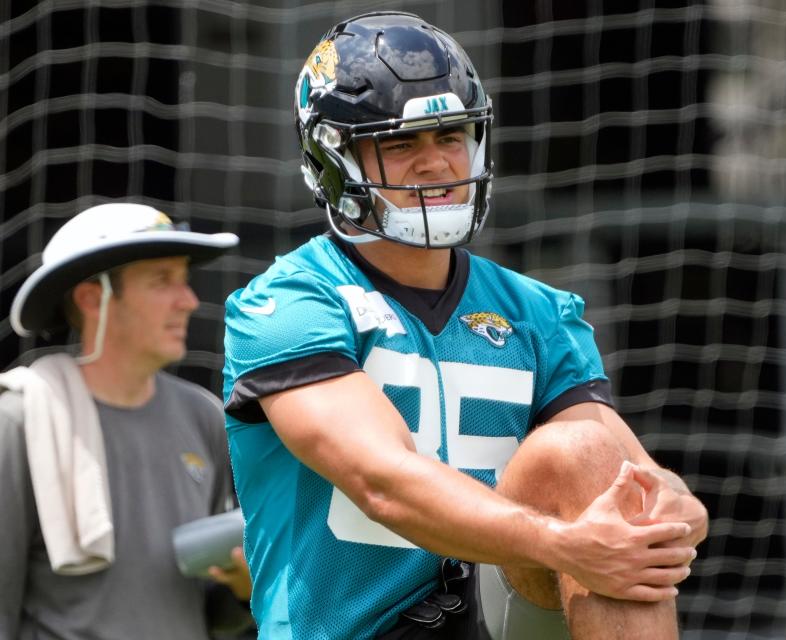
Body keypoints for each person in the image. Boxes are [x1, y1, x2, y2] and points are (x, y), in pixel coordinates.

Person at [222, 11, 708, 640]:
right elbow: (382, 482)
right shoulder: (287, 302)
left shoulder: (536, 309)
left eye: (450, 136)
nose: (437, 164)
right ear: (332, 158)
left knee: (594, 464)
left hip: (490, 621)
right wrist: (570, 544)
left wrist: (676, 512)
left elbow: (631, 471)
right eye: (401, 143)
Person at [0, 203, 253, 639]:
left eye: (185, 280)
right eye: (162, 281)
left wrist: (245, 589)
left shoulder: (203, 414)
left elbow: (214, 615)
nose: (189, 301)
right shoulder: (19, 419)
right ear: (92, 298)